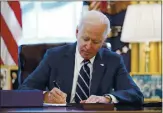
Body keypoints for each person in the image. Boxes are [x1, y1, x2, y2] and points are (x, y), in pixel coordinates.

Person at [18, 10, 144, 104]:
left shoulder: (113, 60)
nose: (88, 46)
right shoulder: (54, 56)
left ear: (103, 40)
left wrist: (106, 99)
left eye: (95, 42)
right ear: (77, 32)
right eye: (85, 39)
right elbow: (23, 90)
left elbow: (136, 94)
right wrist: (46, 96)